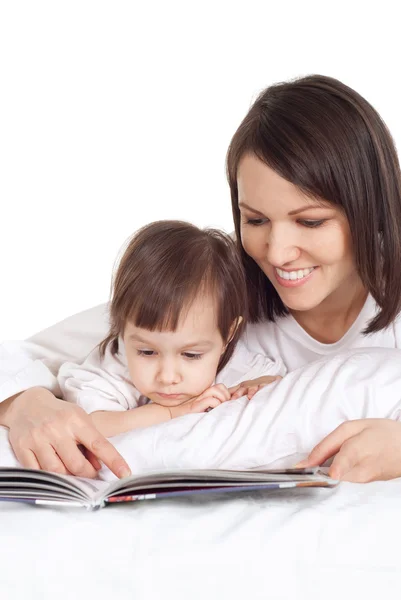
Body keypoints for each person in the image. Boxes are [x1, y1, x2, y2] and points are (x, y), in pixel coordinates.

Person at [1, 74, 401, 482]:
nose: (277, 252)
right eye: (256, 220)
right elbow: (37, 352)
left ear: (369, 210)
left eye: (311, 221)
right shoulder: (217, 283)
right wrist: (24, 403)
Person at [57, 220, 280, 438]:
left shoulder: (241, 370)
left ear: (228, 335)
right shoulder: (114, 368)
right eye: (147, 352)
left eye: (191, 355)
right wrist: (171, 412)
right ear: (122, 331)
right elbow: (91, 426)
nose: (167, 377)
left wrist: (261, 387)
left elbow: (279, 389)